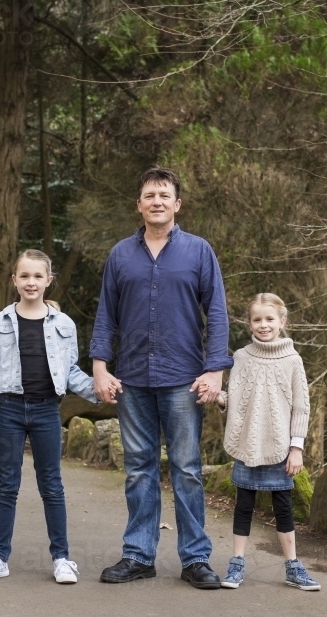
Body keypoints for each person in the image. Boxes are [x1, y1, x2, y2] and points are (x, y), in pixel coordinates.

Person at [90, 166, 233, 589]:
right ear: (139, 204)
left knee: (187, 470)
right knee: (139, 469)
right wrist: (100, 366)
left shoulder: (199, 251)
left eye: (164, 195)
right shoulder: (120, 255)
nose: (156, 201)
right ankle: (138, 556)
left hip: (183, 379)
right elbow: (105, 316)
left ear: (177, 204)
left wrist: (215, 369)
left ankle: (195, 560)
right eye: (149, 195)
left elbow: (219, 313)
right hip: (131, 379)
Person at [0, 249, 99, 585]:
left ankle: (62, 558)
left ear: (49, 280)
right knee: (6, 486)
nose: (31, 282)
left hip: (46, 411)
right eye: (24, 276)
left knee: (51, 485)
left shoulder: (63, 324)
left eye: (38, 276)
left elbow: (70, 371)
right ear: (14, 281)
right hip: (9, 409)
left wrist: (102, 392)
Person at [210, 293, 320, 591]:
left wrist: (296, 448)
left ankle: (293, 566)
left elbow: (301, 407)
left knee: (283, 506)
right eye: (257, 319)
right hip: (248, 444)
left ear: (282, 322)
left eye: (269, 319)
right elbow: (238, 400)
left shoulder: (292, 361)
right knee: (243, 505)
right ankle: (236, 562)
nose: (263, 325)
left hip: (280, 447)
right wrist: (219, 397)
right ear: (249, 323)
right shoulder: (241, 357)